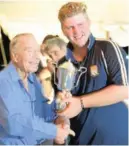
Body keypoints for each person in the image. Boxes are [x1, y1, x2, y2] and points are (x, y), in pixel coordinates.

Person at [57, 2, 128, 145]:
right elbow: (64, 99)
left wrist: (81, 103)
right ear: (63, 29)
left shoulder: (106, 48)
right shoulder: (63, 63)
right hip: (80, 139)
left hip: (115, 140)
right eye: (70, 27)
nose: (76, 32)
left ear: (89, 22)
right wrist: (62, 113)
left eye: (80, 24)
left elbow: (125, 89)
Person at [0, 33, 71, 145]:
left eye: (37, 51)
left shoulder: (32, 79)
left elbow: (43, 113)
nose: (37, 57)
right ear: (15, 56)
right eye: (30, 51)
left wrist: (59, 106)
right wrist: (54, 131)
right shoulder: (3, 81)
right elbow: (13, 124)